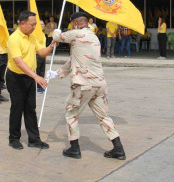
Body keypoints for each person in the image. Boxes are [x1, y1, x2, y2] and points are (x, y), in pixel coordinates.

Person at [48, 12, 125, 160]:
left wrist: (56, 32)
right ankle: (118, 148)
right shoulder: (94, 37)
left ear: (76, 23)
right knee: (103, 116)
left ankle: (74, 149)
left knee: (71, 114)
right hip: (99, 84)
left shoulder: (76, 33)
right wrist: (57, 73)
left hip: (83, 84)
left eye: (71, 25)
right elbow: (75, 60)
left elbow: (57, 37)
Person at [6, 11, 55, 150]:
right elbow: (19, 62)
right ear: (22, 23)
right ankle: (14, 138)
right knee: (17, 107)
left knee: (30, 108)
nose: (34, 27)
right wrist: (36, 76)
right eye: (32, 24)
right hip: (15, 78)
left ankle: (34, 139)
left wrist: (51, 46)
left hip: (28, 77)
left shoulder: (31, 36)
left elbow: (41, 52)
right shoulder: (14, 38)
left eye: (35, 25)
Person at [36, 20, 47, 94]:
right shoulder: (36, 35)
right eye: (41, 24)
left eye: (43, 24)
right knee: (38, 71)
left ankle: (40, 85)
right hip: (38, 54)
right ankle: (37, 86)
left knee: (42, 71)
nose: (43, 25)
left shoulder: (43, 34)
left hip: (43, 54)